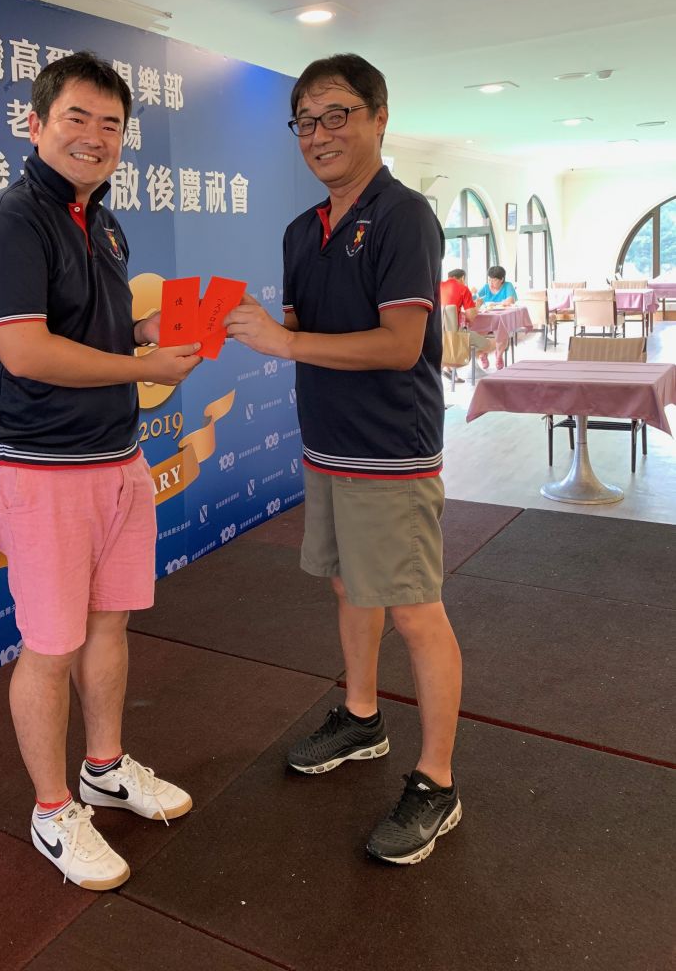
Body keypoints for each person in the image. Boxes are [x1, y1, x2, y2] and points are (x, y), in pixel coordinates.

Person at [0, 52, 202, 890]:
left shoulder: (101, 220)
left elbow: (93, 331)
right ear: (36, 124)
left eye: (111, 124)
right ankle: (53, 809)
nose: (95, 137)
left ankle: (104, 768)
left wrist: (149, 336)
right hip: (40, 471)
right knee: (51, 647)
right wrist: (145, 368)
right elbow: (26, 352)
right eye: (77, 118)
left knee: (108, 628)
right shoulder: (8, 221)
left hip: (117, 460)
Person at [225, 53, 462, 866]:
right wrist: (235, 322)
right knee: (346, 586)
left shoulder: (405, 217)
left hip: (391, 452)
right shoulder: (302, 231)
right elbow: (304, 331)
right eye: (306, 121)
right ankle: (362, 718)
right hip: (325, 445)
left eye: (338, 115)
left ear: (378, 118)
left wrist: (284, 341)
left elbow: (399, 345)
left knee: (414, 610)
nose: (320, 134)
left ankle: (437, 782)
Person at [440, 268, 496, 374]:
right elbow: (470, 316)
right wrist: (477, 306)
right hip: (456, 335)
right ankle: (454, 363)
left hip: (437, 334)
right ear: (462, 278)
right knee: (491, 344)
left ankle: (446, 367)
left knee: (468, 340)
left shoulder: (438, 286)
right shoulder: (463, 288)